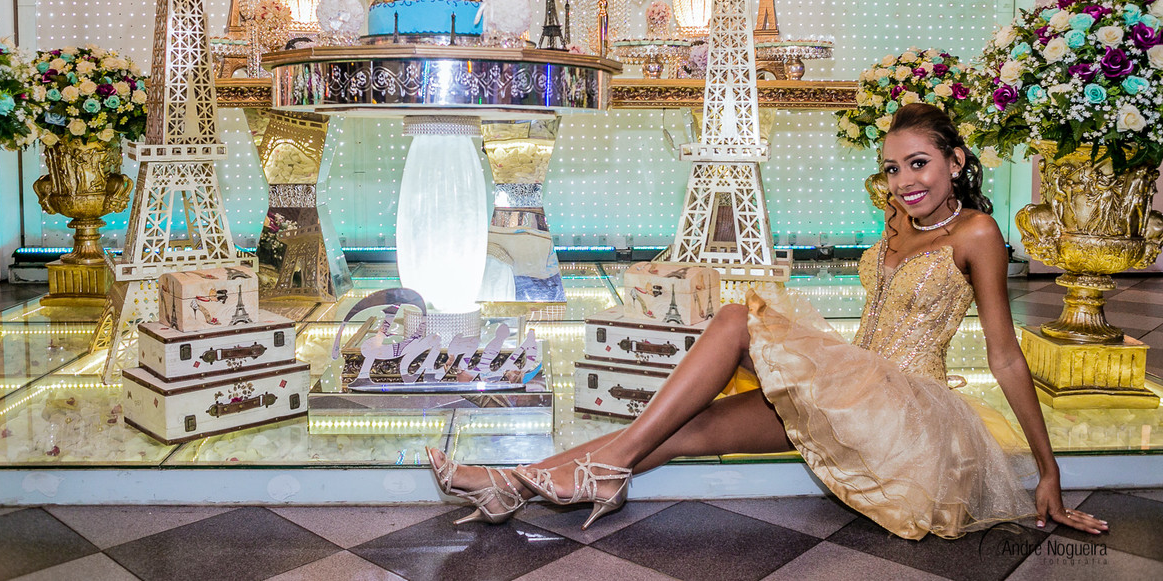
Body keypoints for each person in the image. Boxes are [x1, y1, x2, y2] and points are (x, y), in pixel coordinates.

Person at [428, 103, 1109, 540]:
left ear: (957, 161)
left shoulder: (979, 233)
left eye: (920, 163)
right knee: (674, 432)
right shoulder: (897, 218)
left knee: (732, 316)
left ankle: (562, 477)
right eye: (893, 167)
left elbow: (1005, 356)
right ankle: (510, 483)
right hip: (857, 388)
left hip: (907, 416)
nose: (905, 180)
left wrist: (1048, 469)